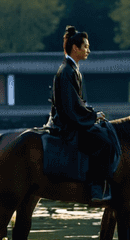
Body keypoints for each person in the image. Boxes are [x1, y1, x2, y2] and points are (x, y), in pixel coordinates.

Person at [47, 26, 115, 202]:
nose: (88, 50)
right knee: (104, 142)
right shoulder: (66, 71)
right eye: (85, 46)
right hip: (66, 123)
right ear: (75, 48)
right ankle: (96, 188)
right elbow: (71, 107)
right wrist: (92, 116)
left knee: (104, 132)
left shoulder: (72, 69)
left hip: (72, 118)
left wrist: (92, 113)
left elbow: (78, 103)